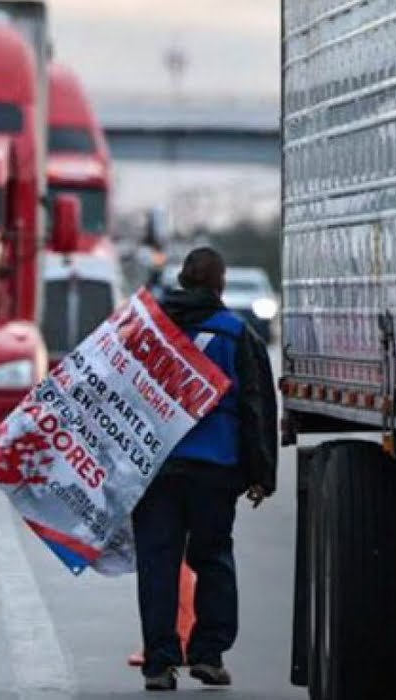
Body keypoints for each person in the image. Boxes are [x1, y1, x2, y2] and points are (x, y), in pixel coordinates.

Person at [133, 246, 278, 691]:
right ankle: (208, 655)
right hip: (215, 468)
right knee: (212, 556)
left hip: (155, 466)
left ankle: (159, 664)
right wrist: (261, 474)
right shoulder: (238, 336)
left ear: (181, 279)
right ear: (220, 284)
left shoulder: (147, 328)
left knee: (158, 561)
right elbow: (257, 409)